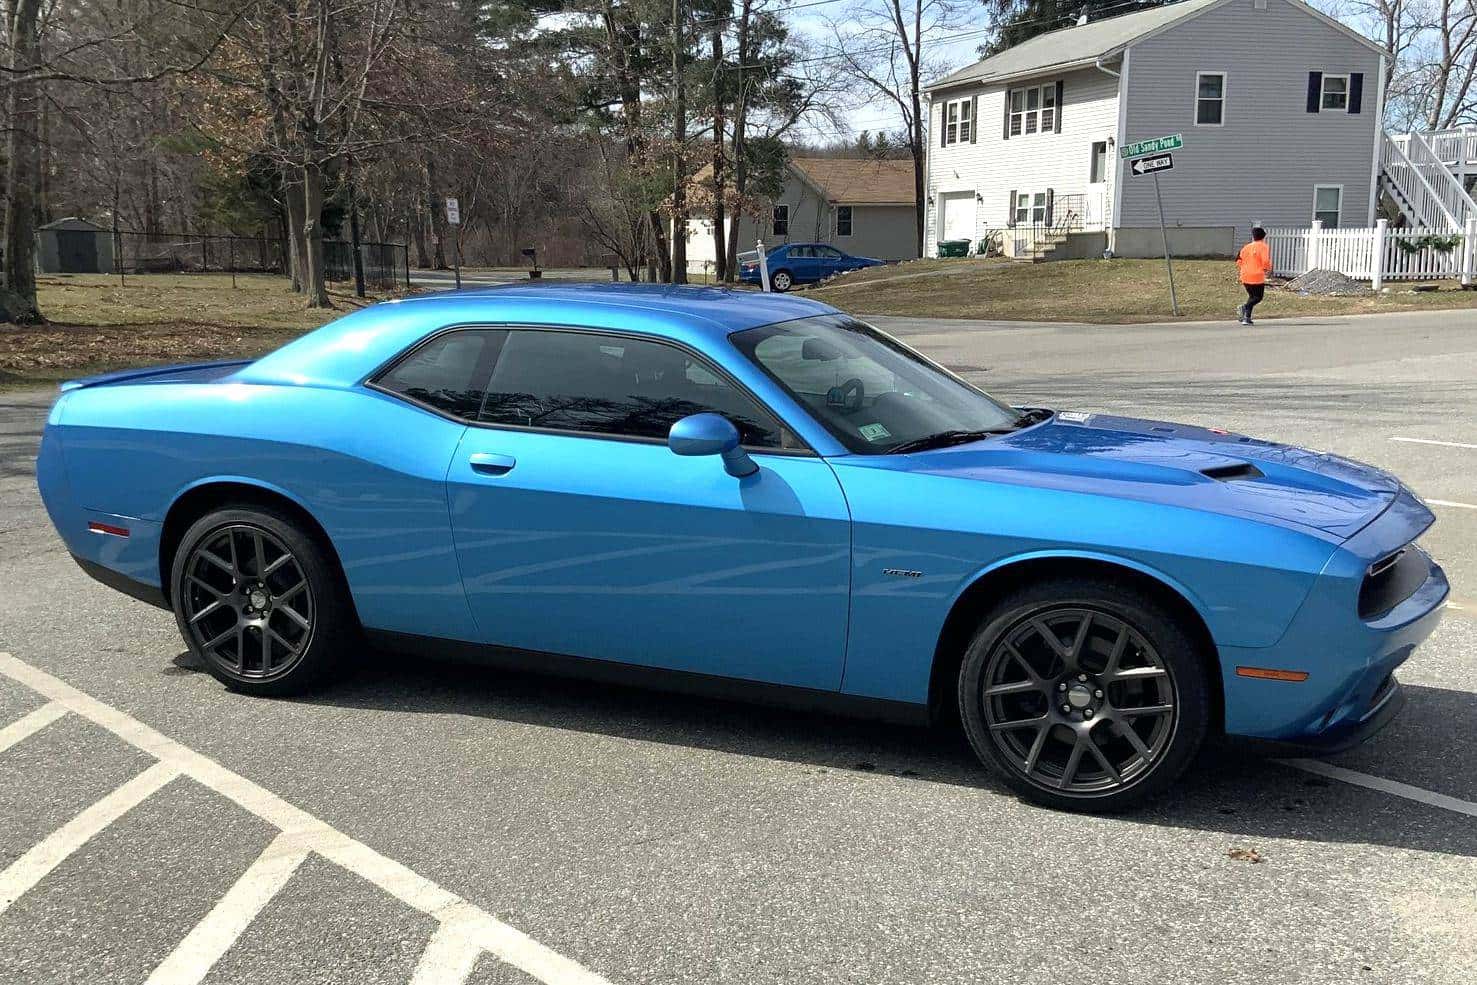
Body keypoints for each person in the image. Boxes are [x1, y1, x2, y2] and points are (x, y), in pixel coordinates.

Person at [1236, 226, 1273, 325]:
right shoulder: (1263, 246)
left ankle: (1246, 318)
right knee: (1258, 297)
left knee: (1252, 296)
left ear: (1253, 236)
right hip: (1256, 276)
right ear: (1263, 236)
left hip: (1245, 275)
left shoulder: (1246, 247)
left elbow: (1238, 260)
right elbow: (1265, 260)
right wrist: (1266, 269)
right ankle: (1244, 307)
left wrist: (1245, 268)